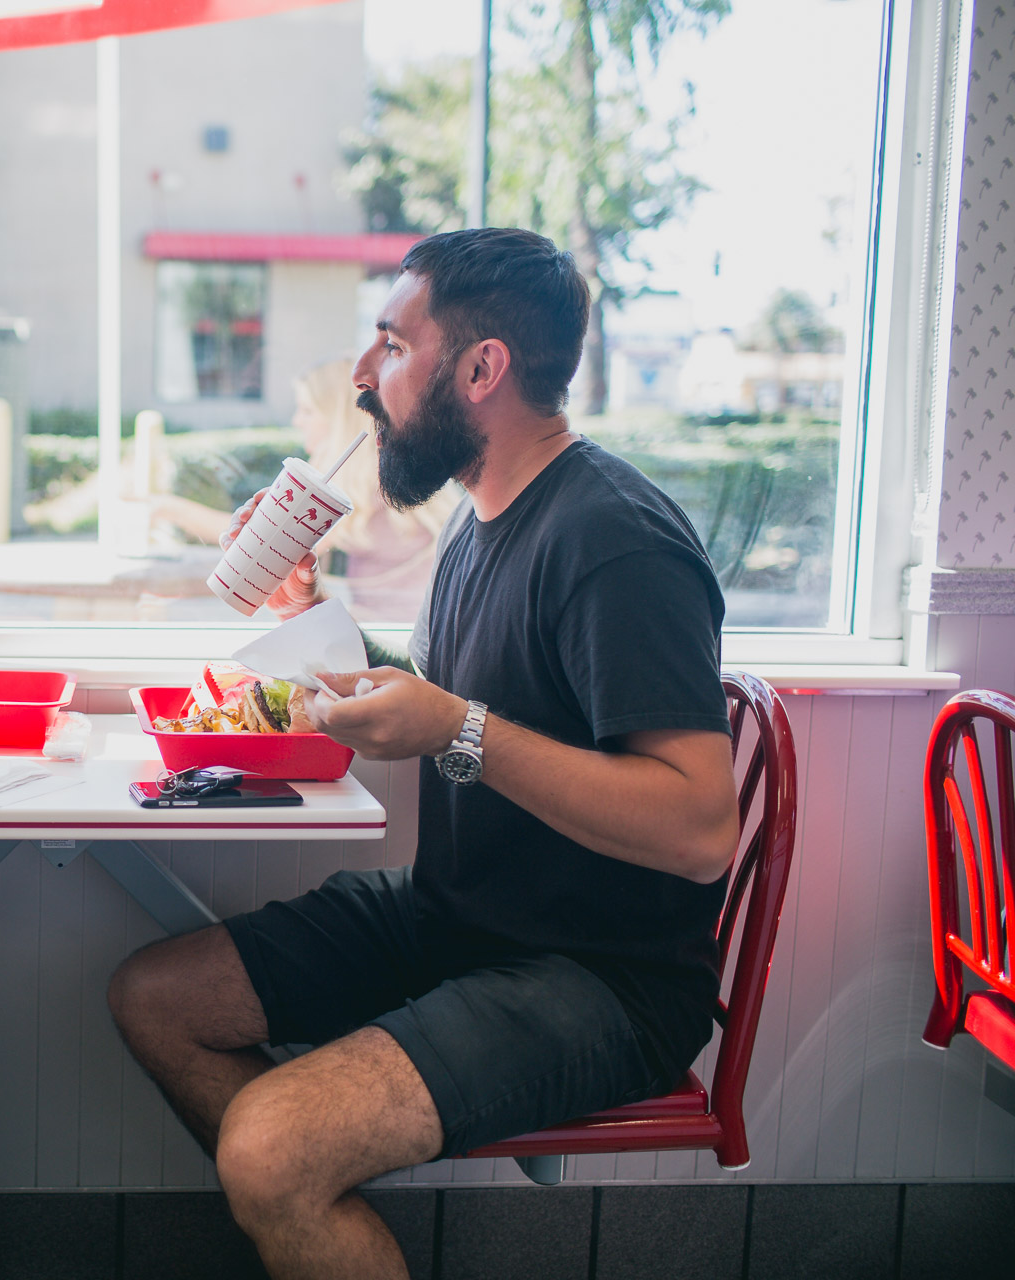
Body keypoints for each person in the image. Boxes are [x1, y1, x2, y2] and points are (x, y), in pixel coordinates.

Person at [108, 228, 740, 1279]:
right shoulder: (485, 517)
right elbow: (482, 690)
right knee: (156, 997)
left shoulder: (614, 538)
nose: (363, 374)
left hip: (601, 974)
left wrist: (455, 730)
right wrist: (323, 623)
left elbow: (699, 824)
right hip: (462, 914)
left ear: (482, 368)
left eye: (392, 343)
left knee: (269, 1143)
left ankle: (293, 1180)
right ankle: (310, 1214)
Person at [149, 359, 456, 622]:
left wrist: (169, 509)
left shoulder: (355, 483)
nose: (297, 421)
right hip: (386, 625)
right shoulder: (376, 473)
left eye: (307, 411)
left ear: (339, 418)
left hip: (392, 633)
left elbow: (270, 549)